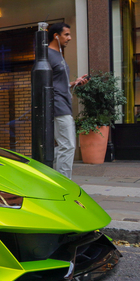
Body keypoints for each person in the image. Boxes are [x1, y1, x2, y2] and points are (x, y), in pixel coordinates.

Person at [47, 22, 88, 179]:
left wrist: (74, 83)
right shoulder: (47, 55)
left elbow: (58, 82)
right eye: (66, 35)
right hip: (58, 106)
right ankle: (64, 183)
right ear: (55, 36)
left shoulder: (58, 55)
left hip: (64, 103)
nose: (70, 38)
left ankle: (54, 177)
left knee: (64, 146)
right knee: (68, 145)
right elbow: (43, 83)